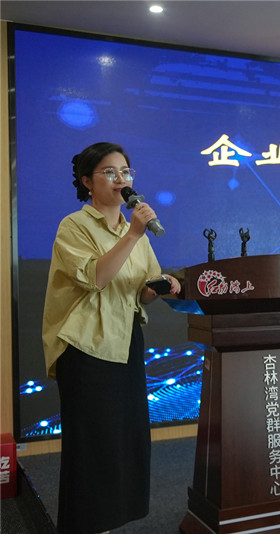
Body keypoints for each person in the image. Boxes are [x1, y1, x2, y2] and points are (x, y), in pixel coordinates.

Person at [41, 142, 180, 533]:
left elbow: (141, 292)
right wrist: (133, 234)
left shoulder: (134, 232)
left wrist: (161, 286)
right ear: (87, 182)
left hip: (126, 341)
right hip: (86, 345)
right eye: (110, 172)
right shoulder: (74, 226)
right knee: (92, 446)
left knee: (124, 440)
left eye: (126, 171)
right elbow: (96, 278)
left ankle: (110, 521)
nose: (121, 179)